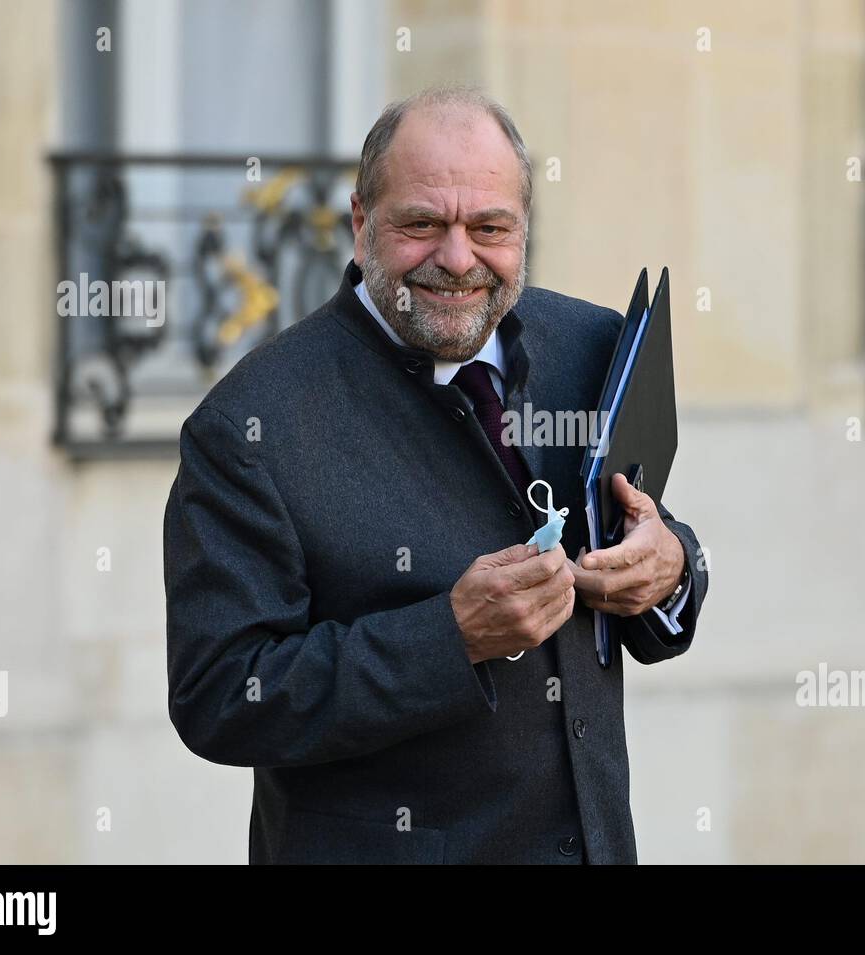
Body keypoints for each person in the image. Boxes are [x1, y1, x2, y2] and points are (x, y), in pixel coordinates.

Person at [164, 85, 710, 864]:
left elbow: (645, 522)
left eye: (489, 227)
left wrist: (671, 563)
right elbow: (219, 695)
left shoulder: (595, 343)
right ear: (361, 223)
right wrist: (448, 639)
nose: (458, 259)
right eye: (421, 224)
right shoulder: (249, 424)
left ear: (523, 230)